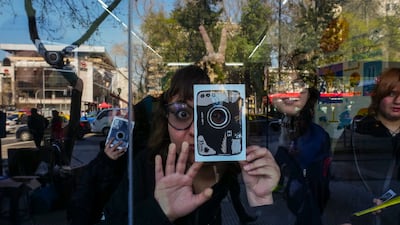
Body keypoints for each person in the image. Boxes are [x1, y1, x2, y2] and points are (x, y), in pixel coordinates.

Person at [67, 65, 282, 225]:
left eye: (212, 116)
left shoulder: (227, 168)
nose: (196, 130)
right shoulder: (146, 166)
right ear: (166, 120)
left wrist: (261, 199)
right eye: (182, 114)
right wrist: (159, 212)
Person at [324, 68, 400, 225]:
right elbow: (336, 184)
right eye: (391, 93)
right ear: (379, 96)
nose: (398, 100)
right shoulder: (354, 134)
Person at [271, 77, 332, 225]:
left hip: (308, 183)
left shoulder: (314, 132)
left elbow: (311, 162)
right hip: (306, 183)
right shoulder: (296, 120)